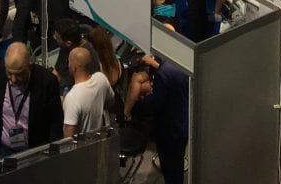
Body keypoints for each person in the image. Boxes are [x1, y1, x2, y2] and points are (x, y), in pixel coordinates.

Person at [0, 40, 63, 157]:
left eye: (19, 74)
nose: (13, 79)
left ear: (29, 66)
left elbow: (55, 121)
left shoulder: (47, 81)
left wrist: (53, 153)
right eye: (9, 73)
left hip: (35, 150)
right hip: (2, 148)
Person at [124, 54, 190, 184]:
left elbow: (158, 103)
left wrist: (144, 101)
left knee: (170, 167)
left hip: (169, 129)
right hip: (182, 122)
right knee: (177, 164)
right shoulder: (179, 64)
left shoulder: (162, 73)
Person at [61, 45, 112, 136]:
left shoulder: (72, 97)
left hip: (82, 144)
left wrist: (66, 105)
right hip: (98, 140)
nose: (68, 65)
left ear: (74, 67)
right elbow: (111, 101)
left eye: (69, 62)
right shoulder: (101, 78)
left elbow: (68, 138)